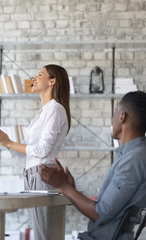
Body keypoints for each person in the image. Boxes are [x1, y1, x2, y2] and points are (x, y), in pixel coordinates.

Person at [40, 91, 146, 240]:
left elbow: (100, 213)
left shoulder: (133, 160)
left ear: (123, 116)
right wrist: (71, 189)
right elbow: (107, 208)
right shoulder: (134, 154)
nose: (112, 119)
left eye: (115, 113)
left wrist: (63, 186)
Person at [0, 64, 71, 240]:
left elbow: (42, 150)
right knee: (40, 232)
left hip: (43, 174)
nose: (34, 78)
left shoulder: (56, 110)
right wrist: (5, 142)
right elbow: (25, 153)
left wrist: (10, 143)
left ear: (52, 81)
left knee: (44, 234)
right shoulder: (42, 113)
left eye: (40, 75)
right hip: (32, 174)